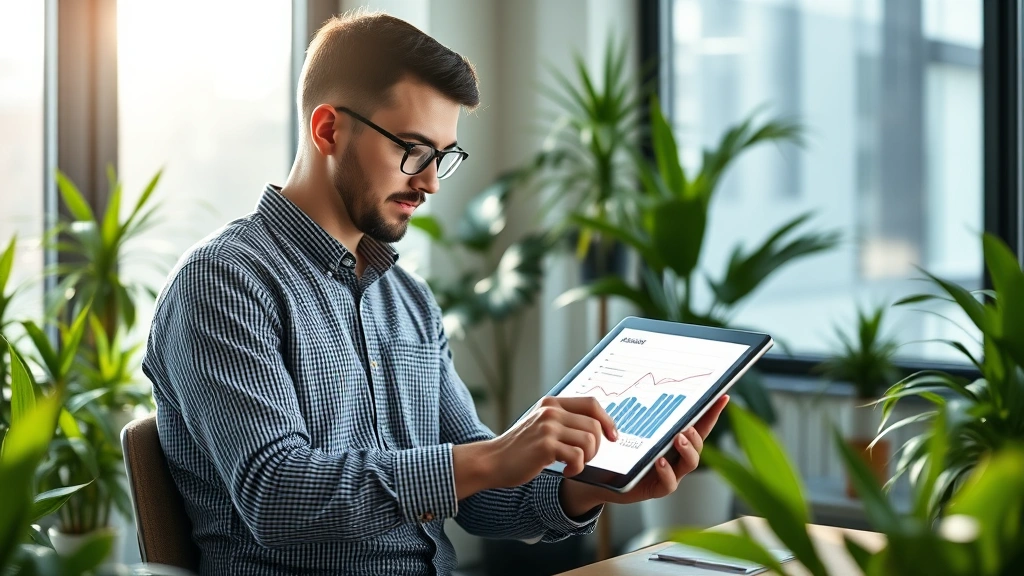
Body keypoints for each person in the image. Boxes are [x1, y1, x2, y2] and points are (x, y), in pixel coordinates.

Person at [142, 10, 728, 576]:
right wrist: (491, 457)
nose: (428, 183)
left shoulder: (408, 300)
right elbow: (275, 493)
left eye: (441, 158)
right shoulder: (223, 282)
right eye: (413, 151)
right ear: (328, 129)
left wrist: (586, 487)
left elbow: (477, 493)